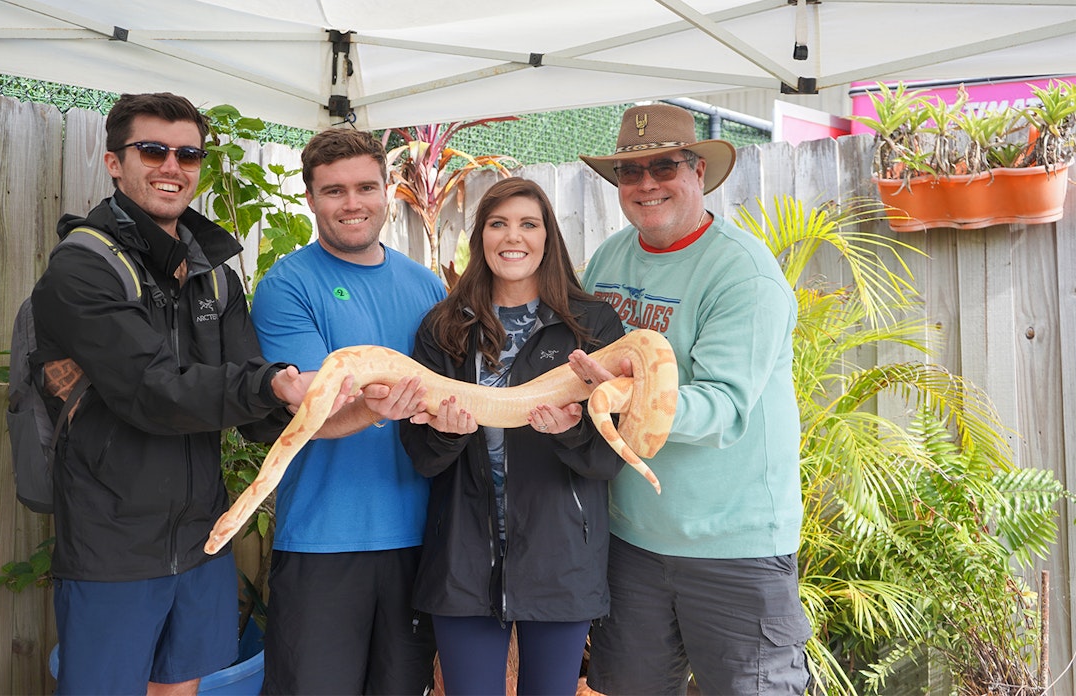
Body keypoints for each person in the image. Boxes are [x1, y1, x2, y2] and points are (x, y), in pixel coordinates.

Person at [31, 92, 354, 696]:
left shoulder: (214, 273)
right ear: (113, 161)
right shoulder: (82, 268)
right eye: (152, 150)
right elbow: (153, 391)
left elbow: (255, 408)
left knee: (184, 689)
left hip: (204, 538)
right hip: (112, 543)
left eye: (188, 154)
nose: (171, 166)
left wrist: (346, 405)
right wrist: (273, 383)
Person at [571, 103, 812, 695]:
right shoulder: (610, 259)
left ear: (698, 172)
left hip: (734, 547)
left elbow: (725, 406)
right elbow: (577, 368)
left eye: (664, 166)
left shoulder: (742, 273)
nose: (647, 183)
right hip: (631, 538)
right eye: (631, 172)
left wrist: (622, 393)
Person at [400, 177, 627, 696]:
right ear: (481, 236)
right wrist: (448, 435)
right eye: (497, 224)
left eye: (528, 224)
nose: (512, 237)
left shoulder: (591, 326)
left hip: (561, 557)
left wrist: (572, 433)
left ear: (548, 237)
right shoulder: (442, 327)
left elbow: (610, 456)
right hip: (462, 557)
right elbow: (421, 457)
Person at [250, 127, 446, 695]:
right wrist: (383, 406)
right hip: (322, 540)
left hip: (417, 539)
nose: (352, 203)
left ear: (388, 190)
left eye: (366, 186)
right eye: (334, 191)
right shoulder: (288, 286)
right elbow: (310, 415)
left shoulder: (427, 286)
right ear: (310, 198)